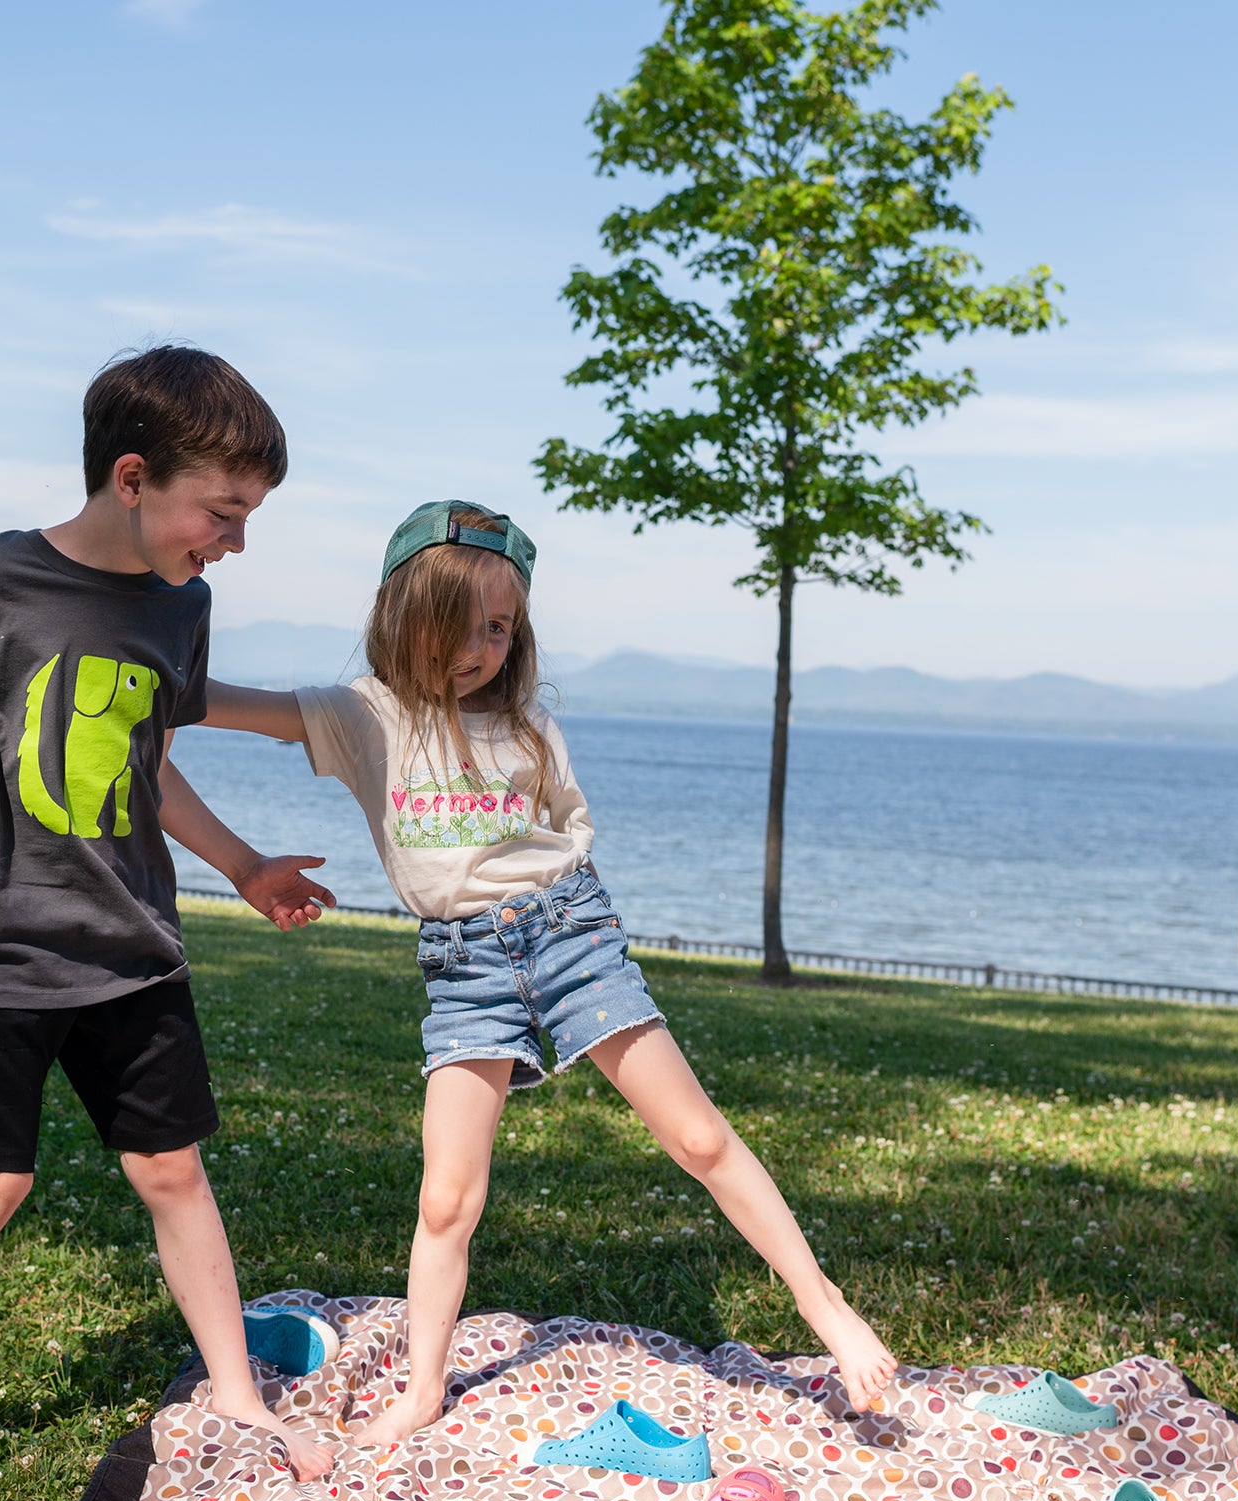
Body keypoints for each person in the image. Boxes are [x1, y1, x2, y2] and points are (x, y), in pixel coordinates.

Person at [200, 499, 898, 1445]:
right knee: (448, 1197)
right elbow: (215, 701)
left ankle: (827, 1308)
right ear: (405, 612)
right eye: (464, 622)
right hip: (464, 967)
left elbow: (563, 839)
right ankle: (420, 1389)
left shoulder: (527, 724)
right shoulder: (364, 717)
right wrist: (120, 639)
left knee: (697, 1139)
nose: (482, 646)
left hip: (570, 935)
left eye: (501, 626)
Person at [0, 346, 338, 1494]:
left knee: (175, 1171)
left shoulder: (184, 607)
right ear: (131, 476)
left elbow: (144, 761)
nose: (234, 540)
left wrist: (245, 863)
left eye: (249, 515)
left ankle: (236, 1397)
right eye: (222, 511)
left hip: (132, 948)